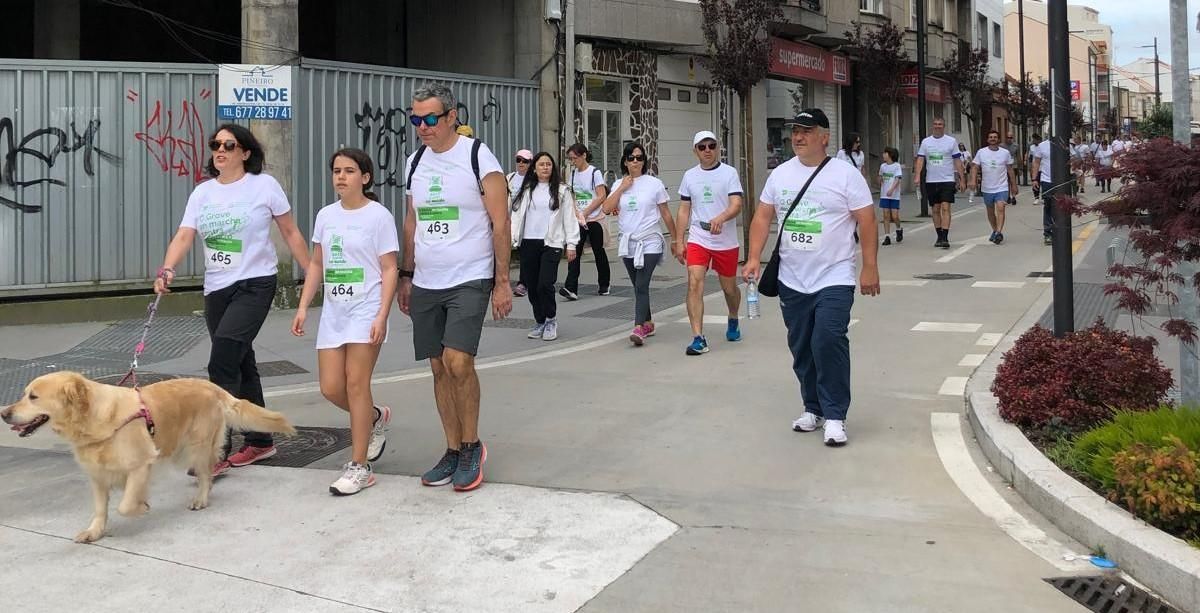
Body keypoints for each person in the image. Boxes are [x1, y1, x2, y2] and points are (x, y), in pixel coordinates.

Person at [154, 124, 310, 476]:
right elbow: (184, 235)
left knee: (222, 360)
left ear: (245, 152)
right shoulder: (203, 193)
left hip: (255, 284)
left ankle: (216, 450)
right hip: (217, 288)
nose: (220, 150)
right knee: (241, 361)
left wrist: (313, 274)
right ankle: (260, 441)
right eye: (215, 145)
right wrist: (167, 268)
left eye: (229, 145)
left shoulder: (264, 186)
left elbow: (290, 232)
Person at [397, 83, 512, 492]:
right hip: (427, 279)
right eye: (416, 120)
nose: (422, 127)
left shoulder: (479, 157)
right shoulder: (414, 162)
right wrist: (405, 275)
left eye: (430, 119)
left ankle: (471, 445)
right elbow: (413, 222)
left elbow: (501, 222)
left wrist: (502, 282)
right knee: (437, 366)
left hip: (470, 276)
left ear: (451, 117)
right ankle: (450, 448)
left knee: (458, 361)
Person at [743, 108, 880, 447]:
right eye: (795, 132)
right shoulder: (780, 175)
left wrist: (869, 266)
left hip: (835, 275)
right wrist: (752, 258)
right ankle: (813, 408)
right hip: (792, 277)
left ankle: (835, 415)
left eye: (806, 131)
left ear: (825, 136)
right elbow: (762, 217)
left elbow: (866, 220)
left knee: (828, 340)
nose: (798, 137)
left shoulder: (845, 175)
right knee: (802, 345)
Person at [292, 148, 399, 495]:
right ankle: (374, 417)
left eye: (349, 171)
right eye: (336, 170)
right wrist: (304, 306)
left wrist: (383, 315)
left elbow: (389, 268)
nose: (341, 176)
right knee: (330, 387)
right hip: (335, 312)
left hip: (366, 309)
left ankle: (359, 467)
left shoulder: (378, 216)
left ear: (365, 178)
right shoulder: (326, 215)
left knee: (356, 384)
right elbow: (318, 265)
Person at [601, 141, 681, 346]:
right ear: (625, 162)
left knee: (642, 284)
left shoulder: (654, 184)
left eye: (639, 158)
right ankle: (648, 322)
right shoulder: (620, 183)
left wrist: (675, 239)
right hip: (628, 241)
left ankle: (638, 327)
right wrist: (622, 188)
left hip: (650, 240)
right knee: (638, 285)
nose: (635, 161)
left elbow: (665, 213)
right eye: (631, 158)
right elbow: (607, 208)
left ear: (644, 161)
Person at [674, 130, 744, 356]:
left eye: (711, 146)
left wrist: (721, 218)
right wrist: (679, 239)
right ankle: (698, 338)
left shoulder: (729, 173)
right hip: (699, 237)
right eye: (702, 147)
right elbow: (684, 209)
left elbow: (736, 204)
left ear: (718, 147)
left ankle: (733, 318)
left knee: (729, 289)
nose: (707, 151)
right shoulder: (689, 176)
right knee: (694, 282)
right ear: (695, 150)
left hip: (725, 240)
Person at [510, 151, 579, 341]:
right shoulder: (526, 190)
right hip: (528, 242)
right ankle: (540, 320)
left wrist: (571, 244)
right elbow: (516, 216)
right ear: (534, 167)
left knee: (545, 284)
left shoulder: (562, 191)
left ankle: (550, 319)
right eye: (541, 164)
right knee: (531, 286)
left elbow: (569, 218)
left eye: (548, 164)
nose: (545, 167)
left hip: (551, 242)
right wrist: (511, 238)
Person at [562, 143, 611, 298]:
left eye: (574, 158)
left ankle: (604, 284)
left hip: (594, 218)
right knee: (574, 251)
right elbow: (572, 195)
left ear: (583, 156)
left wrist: (586, 212)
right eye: (570, 159)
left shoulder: (594, 172)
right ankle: (571, 288)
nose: (572, 162)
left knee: (598, 251)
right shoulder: (573, 174)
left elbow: (601, 195)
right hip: (579, 220)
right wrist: (576, 212)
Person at [913, 118, 964, 249]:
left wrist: (962, 178)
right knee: (935, 209)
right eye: (935, 124)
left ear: (944, 126)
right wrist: (917, 175)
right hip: (931, 180)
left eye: (940, 124)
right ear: (932, 126)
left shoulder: (951, 141)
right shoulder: (926, 142)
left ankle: (945, 237)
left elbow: (957, 161)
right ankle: (939, 235)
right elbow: (920, 159)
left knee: (946, 207)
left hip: (947, 179)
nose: (937, 126)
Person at [970, 130, 1018, 245]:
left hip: (1002, 186)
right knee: (990, 211)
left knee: (1001, 208)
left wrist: (1014, 185)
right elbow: (975, 167)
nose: (993, 139)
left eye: (995, 137)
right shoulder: (981, 152)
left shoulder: (1005, 153)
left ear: (998, 139)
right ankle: (995, 230)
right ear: (987, 140)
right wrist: (972, 180)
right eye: (990, 137)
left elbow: (1010, 170)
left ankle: (998, 233)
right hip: (987, 187)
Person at [508, 149, 533, 298]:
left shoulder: (534, 179)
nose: (521, 164)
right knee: (505, 250)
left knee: (525, 253)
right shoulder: (510, 178)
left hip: (528, 220)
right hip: (511, 219)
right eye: (519, 160)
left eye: (525, 161)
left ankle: (523, 283)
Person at [1028, 135, 1054, 246]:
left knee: (1061, 205)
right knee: (1048, 205)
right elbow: (1036, 162)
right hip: (1046, 180)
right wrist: (1034, 179)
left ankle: (1060, 231)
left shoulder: (1065, 143)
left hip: (1062, 180)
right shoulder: (1042, 146)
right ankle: (1047, 233)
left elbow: (1073, 159)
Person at [878, 147, 903, 245]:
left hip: (894, 195)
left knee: (895, 216)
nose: (883, 155)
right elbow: (880, 176)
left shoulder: (897, 166)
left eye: (885, 153)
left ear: (890, 155)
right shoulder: (883, 166)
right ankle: (887, 236)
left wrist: (892, 189)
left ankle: (898, 229)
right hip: (884, 195)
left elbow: (898, 179)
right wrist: (879, 179)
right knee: (886, 215)